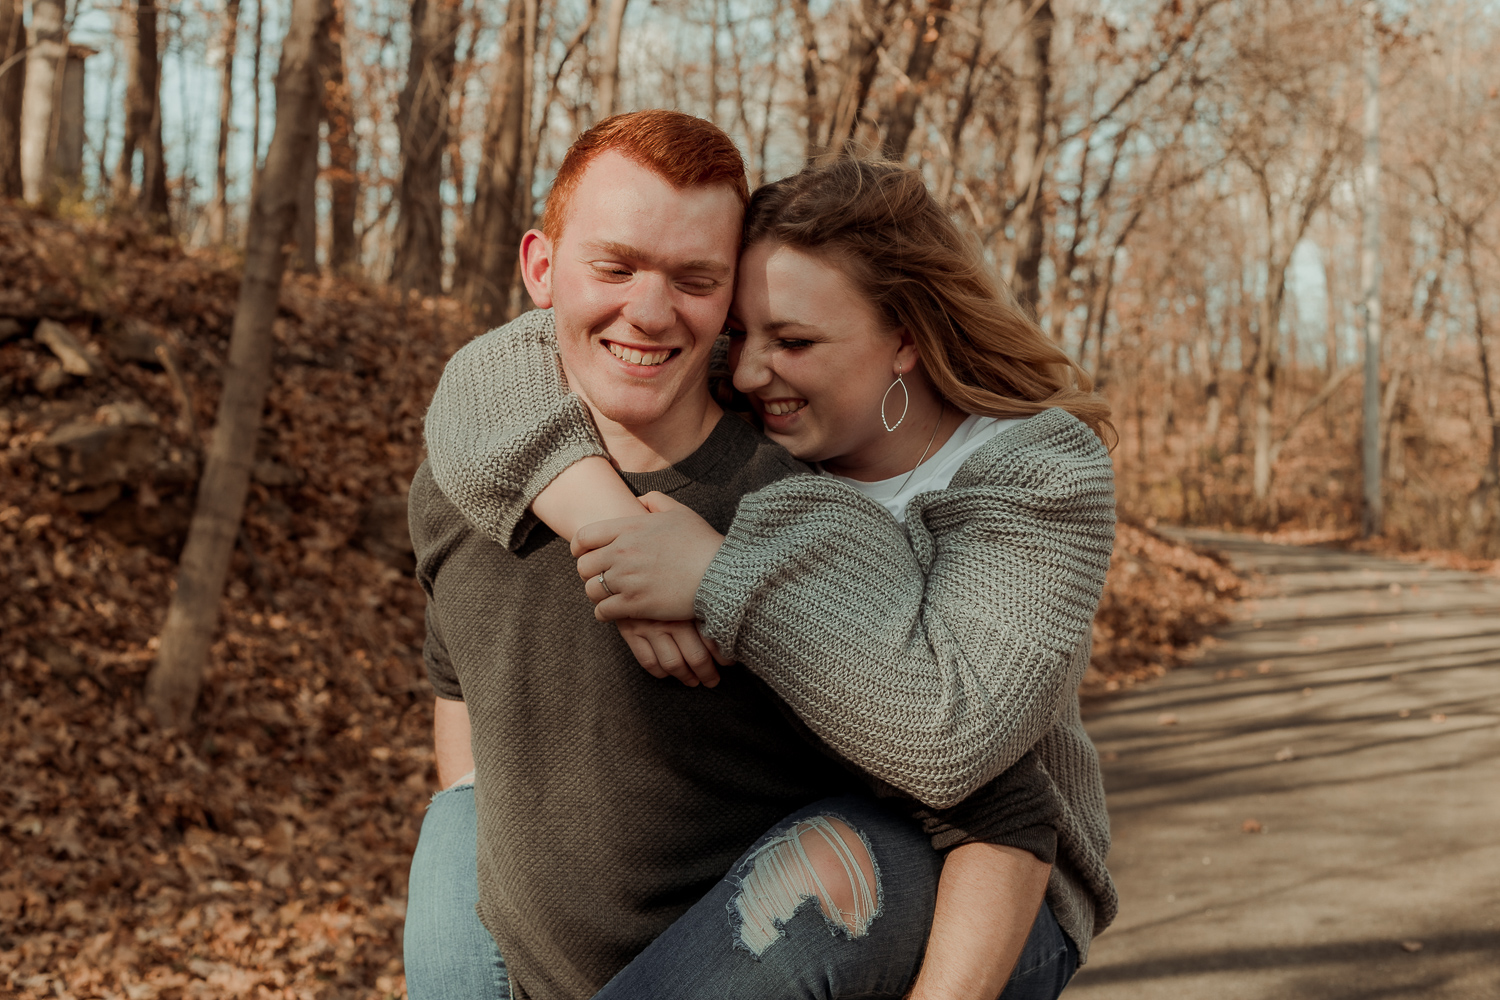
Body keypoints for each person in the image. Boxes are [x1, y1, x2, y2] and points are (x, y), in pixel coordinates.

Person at [408, 110, 1113, 1000]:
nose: (743, 373)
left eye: (793, 342)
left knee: (845, 861)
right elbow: (491, 369)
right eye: (741, 334)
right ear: (541, 268)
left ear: (904, 340)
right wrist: (611, 529)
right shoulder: (669, 379)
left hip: (991, 898)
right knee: (457, 824)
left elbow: (964, 753)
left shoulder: (1028, 475)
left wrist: (714, 575)